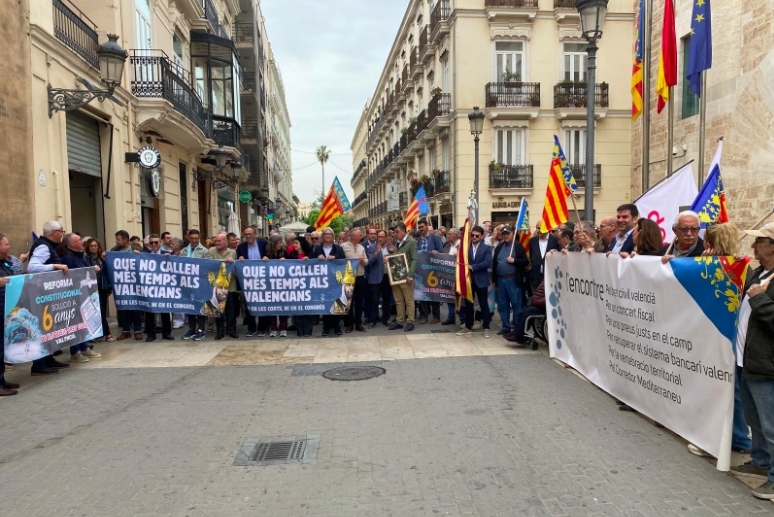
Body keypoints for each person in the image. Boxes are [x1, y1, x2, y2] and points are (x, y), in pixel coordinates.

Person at [730, 223, 774, 500]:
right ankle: (760, 462)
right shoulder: (759, 272)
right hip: (747, 362)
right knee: (754, 420)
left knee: (770, 425)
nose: (753, 246)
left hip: (765, 365)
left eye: (759, 242)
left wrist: (760, 301)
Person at [27, 220, 71, 375]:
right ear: (54, 232)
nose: (62, 234)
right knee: (42, 328)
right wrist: (54, 266)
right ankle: (39, 364)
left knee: (49, 328)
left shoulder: (47, 246)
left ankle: (48, 359)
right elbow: (32, 267)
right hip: (41, 295)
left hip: (48, 294)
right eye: (61, 231)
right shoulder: (44, 246)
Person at [62, 233, 103, 363]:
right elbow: (74, 274)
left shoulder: (81, 256)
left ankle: (84, 347)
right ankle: (75, 351)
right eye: (79, 240)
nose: (82, 242)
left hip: (83, 294)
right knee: (75, 323)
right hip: (74, 294)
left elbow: (85, 270)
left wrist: (92, 270)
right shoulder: (68, 258)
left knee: (84, 321)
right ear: (71, 244)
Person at [491, 226, 529, 336]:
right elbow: (495, 264)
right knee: (502, 304)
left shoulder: (517, 246)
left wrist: (514, 260)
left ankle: (516, 327)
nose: (506, 235)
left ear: (512, 234)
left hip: (513, 279)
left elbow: (525, 262)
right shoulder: (499, 247)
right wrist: (495, 280)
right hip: (501, 280)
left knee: (516, 304)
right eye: (504, 234)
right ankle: (506, 326)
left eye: (508, 233)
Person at [457, 226, 492, 338]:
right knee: (468, 305)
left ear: (482, 236)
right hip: (469, 280)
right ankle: (468, 326)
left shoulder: (486, 248)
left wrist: (473, 267)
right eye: (472, 235)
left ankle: (486, 327)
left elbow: (487, 262)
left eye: (477, 235)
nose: (474, 237)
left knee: (484, 305)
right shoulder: (466, 248)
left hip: (481, 280)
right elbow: (462, 262)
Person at [314, 227, 346, 336]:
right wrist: (316, 257)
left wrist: (336, 257)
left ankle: (337, 327)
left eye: (330, 234)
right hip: (323, 281)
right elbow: (310, 261)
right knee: (326, 303)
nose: (328, 236)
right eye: (325, 234)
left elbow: (344, 261)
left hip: (335, 280)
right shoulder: (317, 249)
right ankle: (326, 327)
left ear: (333, 237)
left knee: (337, 303)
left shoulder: (338, 249)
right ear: (322, 237)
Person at [237, 226, 268, 337]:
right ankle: (251, 328)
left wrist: (267, 258)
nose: (248, 236)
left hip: (262, 280)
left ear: (255, 234)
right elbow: (237, 263)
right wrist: (240, 259)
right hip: (248, 281)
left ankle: (262, 327)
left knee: (262, 304)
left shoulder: (263, 244)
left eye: (250, 234)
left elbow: (270, 256)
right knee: (249, 304)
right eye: (246, 234)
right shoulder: (241, 247)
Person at [113, 230, 143, 341]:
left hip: (135, 284)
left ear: (125, 240)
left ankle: (137, 331)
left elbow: (146, 262)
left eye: (118, 239)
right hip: (121, 285)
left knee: (136, 308)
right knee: (123, 308)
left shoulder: (137, 249)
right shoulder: (114, 251)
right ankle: (125, 331)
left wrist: (139, 256)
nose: (116, 241)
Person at [387, 223, 417, 332]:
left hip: (406, 276)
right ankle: (399, 321)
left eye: (397, 232)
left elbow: (414, 259)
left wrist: (410, 275)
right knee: (398, 300)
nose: (395, 234)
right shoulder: (397, 243)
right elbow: (396, 258)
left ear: (404, 231)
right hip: (397, 276)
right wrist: (389, 257)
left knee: (409, 300)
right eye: (395, 232)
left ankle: (410, 321)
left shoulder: (411, 242)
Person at [143, 234, 173, 343]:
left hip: (163, 287)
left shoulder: (167, 254)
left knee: (165, 310)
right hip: (150, 287)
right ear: (149, 244)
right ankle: (151, 334)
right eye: (152, 243)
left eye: (156, 242)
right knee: (150, 311)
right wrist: (135, 255)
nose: (154, 245)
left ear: (160, 242)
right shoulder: (144, 255)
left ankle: (166, 333)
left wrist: (170, 258)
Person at [0, 234, 20, 395]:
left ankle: (1, 380)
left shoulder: (5, 262)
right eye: (6, 244)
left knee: (2, 348)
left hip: (6, 310)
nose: (9, 247)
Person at [180, 229, 209, 341]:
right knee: (189, 306)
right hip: (187, 283)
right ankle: (191, 329)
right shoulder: (183, 251)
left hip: (200, 283)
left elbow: (208, 266)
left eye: (196, 238)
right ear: (188, 238)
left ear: (199, 238)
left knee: (200, 306)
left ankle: (201, 330)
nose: (194, 240)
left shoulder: (204, 251)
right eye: (192, 238)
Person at [84, 237, 114, 343]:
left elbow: (108, 273)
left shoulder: (103, 259)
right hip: (90, 289)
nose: (93, 248)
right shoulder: (86, 259)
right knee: (93, 312)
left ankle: (107, 333)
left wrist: (109, 288)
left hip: (102, 288)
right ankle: (99, 334)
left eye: (95, 245)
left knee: (102, 310)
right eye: (91, 246)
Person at [208, 232, 238, 340]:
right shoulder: (211, 251)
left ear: (225, 242)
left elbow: (236, 268)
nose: (217, 242)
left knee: (231, 311)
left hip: (231, 286)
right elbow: (211, 264)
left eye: (219, 241)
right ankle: (220, 331)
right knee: (218, 310)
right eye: (216, 241)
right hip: (217, 286)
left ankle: (232, 330)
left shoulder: (233, 252)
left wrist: (234, 268)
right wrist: (226, 261)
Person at [416, 219, 444, 324]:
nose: (421, 229)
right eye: (419, 228)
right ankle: (424, 315)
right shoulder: (419, 240)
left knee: (434, 294)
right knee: (423, 293)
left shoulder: (435, 237)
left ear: (427, 226)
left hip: (434, 270)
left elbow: (441, 253)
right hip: (422, 271)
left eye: (422, 227)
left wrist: (437, 253)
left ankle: (436, 316)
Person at [505, 279, 546, 350]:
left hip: (542, 306)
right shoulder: (546, 280)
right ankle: (516, 332)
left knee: (528, 312)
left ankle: (518, 336)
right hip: (537, 303)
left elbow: (549, 299)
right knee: (522, 312)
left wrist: (536, 301)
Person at [341, 228, 368, 333]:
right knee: (349, 302)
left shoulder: (361, 247)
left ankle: (358, 324)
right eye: (360, 234)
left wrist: (363, 260)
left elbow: (367, 262)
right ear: (353, 236)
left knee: (359, 302)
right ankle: (349, 324)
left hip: (360, 277)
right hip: (348, 278)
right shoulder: (343, 247)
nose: (361, 236)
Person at [366, 230, 391, 328]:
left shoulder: (390, 247)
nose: (380, 238)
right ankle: (373, 320)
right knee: (374, 301)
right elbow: (369, 262)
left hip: (387, 277)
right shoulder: (372, 247)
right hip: (375, 278)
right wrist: (376, 253)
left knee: (386, 300)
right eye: (379, 236)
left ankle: (386, 319)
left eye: (382, 237)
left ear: (386, 237)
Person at [528, 220, 561, 290]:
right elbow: (531, 256)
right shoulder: (532, 241)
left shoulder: (555, 240)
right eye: (537, 228)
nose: (537, 230)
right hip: (536, 278)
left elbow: (560, 255)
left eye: (539, 228)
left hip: (551, 277)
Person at [442, 228, 462, 325]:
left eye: (450, 234)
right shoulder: (447, 246)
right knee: (449, 296)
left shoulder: (462, 246)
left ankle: (462, 318)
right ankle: (451, 316)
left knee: (459, 297)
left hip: (458, 276)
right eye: (448, 234)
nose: (448, 235)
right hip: (447, 275)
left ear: (456, 235)